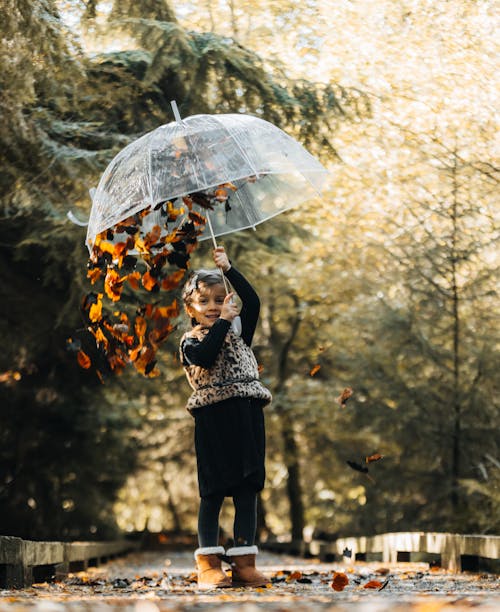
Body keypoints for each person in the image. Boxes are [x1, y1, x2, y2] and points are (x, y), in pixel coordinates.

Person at [180, 246, 272, 589]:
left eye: (220, 300)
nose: (214, 307)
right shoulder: (191, 342)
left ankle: (245, 564)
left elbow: (254, 301)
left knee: (248, 488)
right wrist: (221, 322)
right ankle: (209, 565)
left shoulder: (238, 335)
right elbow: (205, 356)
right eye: (205, 302)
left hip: (247, 418)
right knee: (213, 491)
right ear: (191, 308)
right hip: (213, 422)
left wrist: (229, 268)